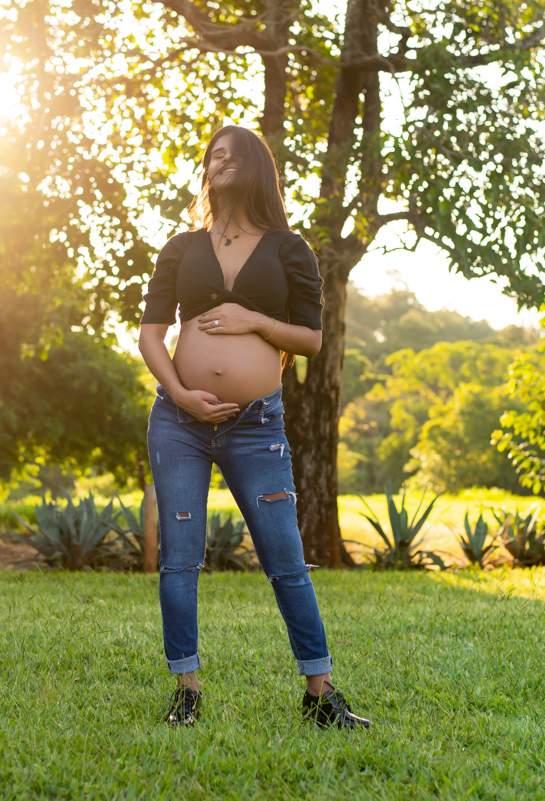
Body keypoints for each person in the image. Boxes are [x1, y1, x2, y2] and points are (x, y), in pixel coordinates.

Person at [138, 125, 371, 730]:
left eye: (231, 154)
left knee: (285, 557)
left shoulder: (290, 249)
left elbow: (313, 340)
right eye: (211, 154)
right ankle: (185, 691)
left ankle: (320, 695)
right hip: (178, 423)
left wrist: (254, 321)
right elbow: (150, 335)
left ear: (255, 168)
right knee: (180, 558)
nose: (218, 161)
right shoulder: (180, 247)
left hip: (255, 425)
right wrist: (182, 394)